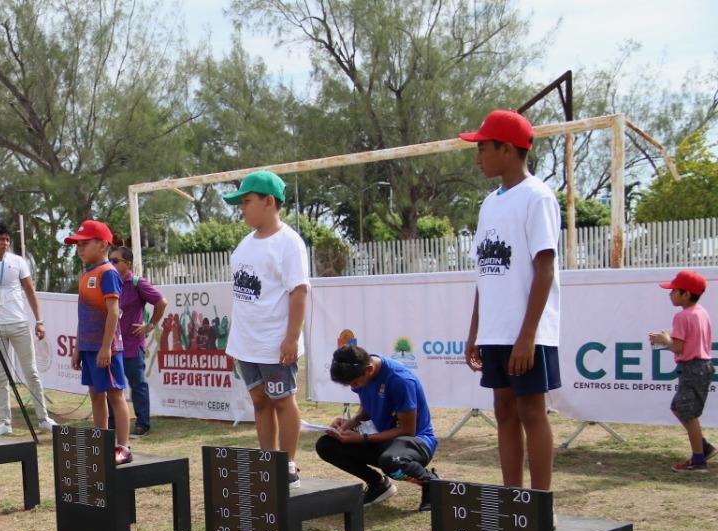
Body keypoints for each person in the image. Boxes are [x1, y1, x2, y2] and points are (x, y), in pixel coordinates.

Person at [460, 109, 561, 490]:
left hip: (527, 331)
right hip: (495, 330)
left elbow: (545, 269)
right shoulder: (490, 203)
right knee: (503, 409)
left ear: (507, 149)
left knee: (530, 410)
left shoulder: (538, 197)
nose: (478, 156)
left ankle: (540, 500)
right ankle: (512, 495)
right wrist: (475, 331)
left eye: (483, 147)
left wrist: (527, 335)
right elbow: (483, 274)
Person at [222, 170, 311, 485]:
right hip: (247, 342)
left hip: (275, 343)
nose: (242, 208)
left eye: (246, 201)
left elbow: (298, 291)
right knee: (260, 402)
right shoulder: (245, 244)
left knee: (282, 400)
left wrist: (291, 338)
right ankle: (268, 461)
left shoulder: (289, 243)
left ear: (269, 201)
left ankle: (287, 465)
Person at [316, 345, 440, 510]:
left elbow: (408, 430)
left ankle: (432, 484)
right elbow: (368, 406)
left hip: (416, 441)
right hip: (384, 439)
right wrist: (352, 422)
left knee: (391, 462)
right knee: (326, 445)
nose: (354, 387)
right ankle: (378, 485)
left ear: (368, 370)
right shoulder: (361, 368)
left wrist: (363, 438)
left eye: (354, 383)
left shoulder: (400, 380)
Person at [0, 221, 58, 436]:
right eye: (0, 239)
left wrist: (39, 320)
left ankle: (43, 418)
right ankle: (5, 421)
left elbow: (30, 291)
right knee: (1, 376)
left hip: (19, 323)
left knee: (31, 372)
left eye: (7, 240)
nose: (5, 243)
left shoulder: (17, 261)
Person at [66, 219, 132, 464]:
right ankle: (101, 442)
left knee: (115, 395)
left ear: (103, 244)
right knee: (95, 394)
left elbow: (113, 312)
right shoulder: (86, 274)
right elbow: (83, 315)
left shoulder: (108, 273)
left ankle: (123, 447)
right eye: (77, 245)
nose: (80, 249)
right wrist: (77, 348)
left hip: (107, 348)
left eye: (84, 244)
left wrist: (106, 346)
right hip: (88, 347)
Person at [649, 270, 715, 472]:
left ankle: (698, 460)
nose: (670, 294)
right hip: (701, 367)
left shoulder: (682, 316)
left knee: (688, 414)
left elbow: (678, 347)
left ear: (686, 294)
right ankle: (703, 447)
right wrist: (669, 338)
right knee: (679, 408)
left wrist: (664, 340)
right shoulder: (701, 312)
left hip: (692, 368)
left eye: (674, 291)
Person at [110, 246, 165, 436]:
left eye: (115, 261)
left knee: (137, 384)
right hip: (112, 346)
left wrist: (149, 326)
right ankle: (112, 425)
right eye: (110, 260)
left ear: (127, 263)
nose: (111, 264)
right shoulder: (109, 281)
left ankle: (142, 423)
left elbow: (161, 302)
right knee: (112, 386)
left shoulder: (136, 283)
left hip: (132, 345)